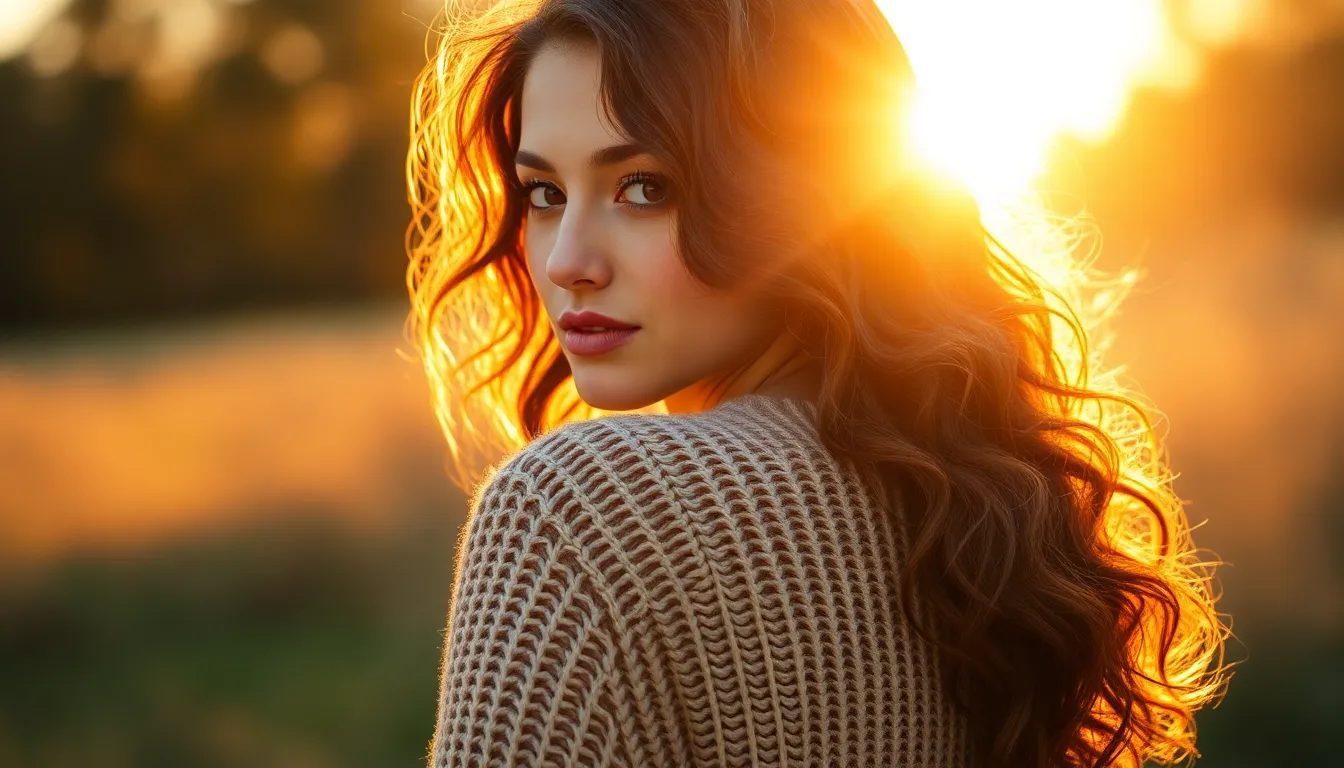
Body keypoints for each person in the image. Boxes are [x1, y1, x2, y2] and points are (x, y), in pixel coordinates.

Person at [404, 1, 1228, 766]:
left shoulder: (581, 512)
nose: (565, 261)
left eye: (644, 188)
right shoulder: (980, 509)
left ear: (795, 198)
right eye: (543, 193)